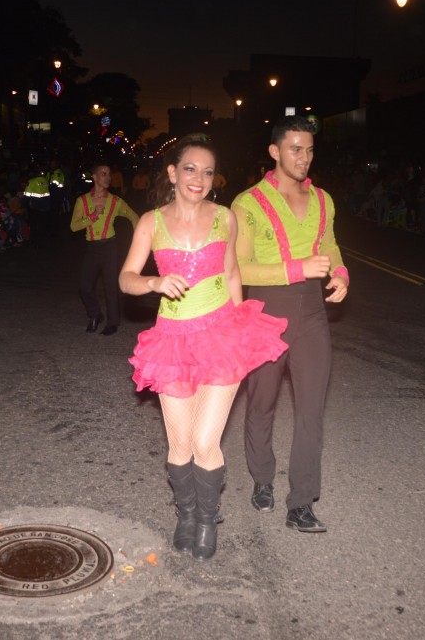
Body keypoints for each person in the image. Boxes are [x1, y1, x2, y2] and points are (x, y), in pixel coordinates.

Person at [120, 134, 288, 561]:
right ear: (173, 174)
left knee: (205, 441)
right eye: (190, 169)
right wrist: (154, 282)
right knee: (179, 445)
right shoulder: (150, 223)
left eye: (208, 171)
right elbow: (126, 278)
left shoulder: (224, 217)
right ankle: (186, 515)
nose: (199, 178)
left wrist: (239, 328)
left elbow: (232, 273)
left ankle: (208, 520)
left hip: (220, 335)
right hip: (172, 341)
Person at [231, 116, 349, 534]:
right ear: (275, 151)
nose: (304, 157)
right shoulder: (246, 204)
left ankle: (301, 502)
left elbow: (329, 244)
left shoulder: (323, 199)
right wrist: (297, 268)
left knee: (311, 409)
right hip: (265, 312)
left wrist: (340, 273)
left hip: (312, 313)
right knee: (262, 402)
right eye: (295, 148)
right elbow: (240, 269)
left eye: (310, 149)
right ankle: (262, 478)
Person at [70, 162, 139, 335]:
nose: (108, 177)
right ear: (94, 177)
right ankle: (95, 314)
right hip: (92, 247)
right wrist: (92, 217)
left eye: (109, 174)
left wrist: (139, 240)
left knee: (110, 286)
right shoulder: (83, 201)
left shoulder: (115, 201)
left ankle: (112, 323)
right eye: (103, 173)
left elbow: (133, 216)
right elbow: (74, 226)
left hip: (110, 246)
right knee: (84, 286)